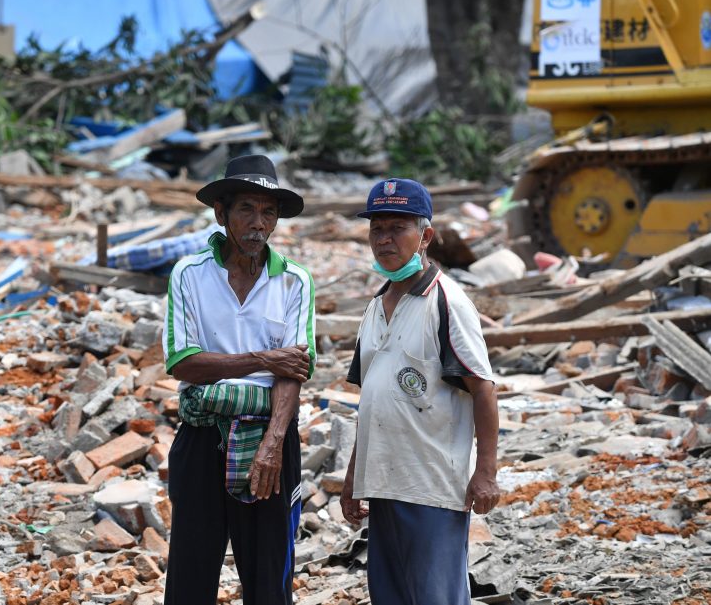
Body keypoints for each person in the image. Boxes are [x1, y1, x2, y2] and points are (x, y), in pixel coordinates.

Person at [162, 154, 316, 605]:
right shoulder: (189, 274)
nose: (258, 223)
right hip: (202, 436)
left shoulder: (295, 281)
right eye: (246, 209)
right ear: (221, 213)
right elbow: (183, 363)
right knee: (191, 572)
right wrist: (263, 358)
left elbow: (295, 372)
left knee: (269, 578)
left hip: (270, 438)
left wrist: (273, 442)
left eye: (268, 212)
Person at [340, 178, 500, 605]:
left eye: (397, 228)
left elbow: (482, 389)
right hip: (384, 484)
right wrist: (354, 475)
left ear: (425, 236)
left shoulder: (446, 302)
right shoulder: (375, 307)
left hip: (430, 486)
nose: (385, 239)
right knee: (390, 596)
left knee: (435, 597)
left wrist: (485, 472)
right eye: (377, 229)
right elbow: (371, 398)